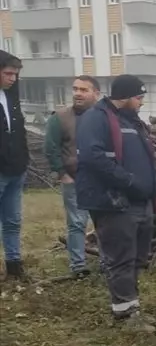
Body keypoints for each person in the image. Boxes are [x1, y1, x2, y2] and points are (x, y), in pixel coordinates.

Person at [75, 74, 156, 327]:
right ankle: (124, 315)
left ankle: (132, 308)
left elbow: (146, 157)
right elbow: (94, 157)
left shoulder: (132, 120)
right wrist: (128, 181)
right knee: (121, 258)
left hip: (141, 201)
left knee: (137, 257)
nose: (141, 103)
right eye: (139, 97)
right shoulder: (97, 118)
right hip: (114, 202)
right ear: (124, 97)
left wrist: (155, 181)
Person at [44, 75, 102, 278]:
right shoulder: (59, 117)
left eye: (84, 90)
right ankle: (78, 266)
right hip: (74, 179)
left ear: (96, 93)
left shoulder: (104, 116)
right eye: (75, 89)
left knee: (103, 221)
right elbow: (51, 148)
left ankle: (107, 262)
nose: (77, 93)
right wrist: (63, 174)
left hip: (101, 180)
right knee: (77, 223)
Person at [0, 51, 29, 280]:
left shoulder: (11, 97)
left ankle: (14, 267)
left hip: (15, 170)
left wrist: (23, 162)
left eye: (15, 74)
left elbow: (18, 133)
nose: (12, 78)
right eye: (8, 73)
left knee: (12, 221)